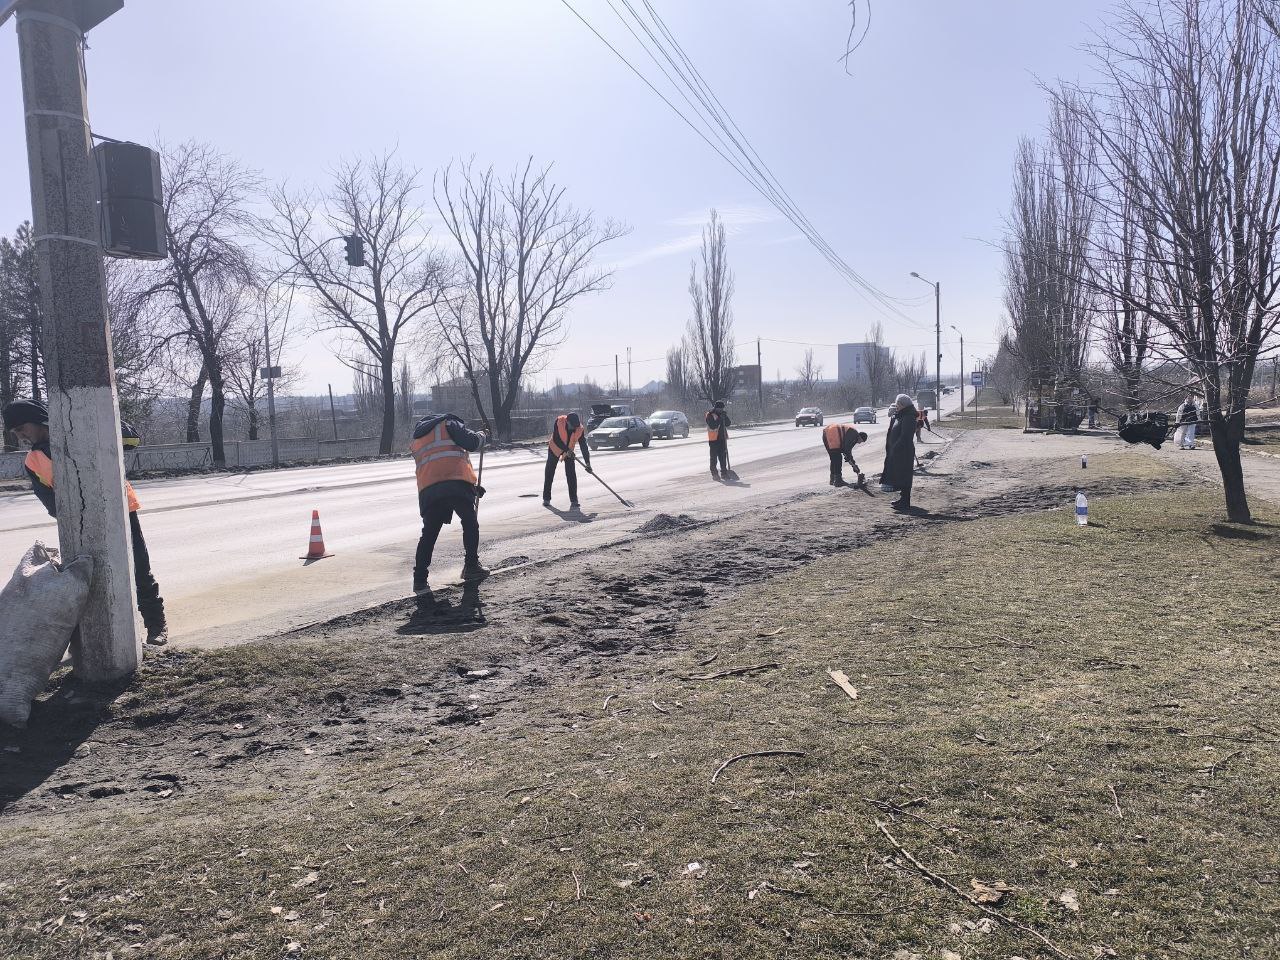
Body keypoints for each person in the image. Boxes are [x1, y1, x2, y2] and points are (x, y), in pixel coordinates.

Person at [2, 398, 169, 645]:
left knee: (139, 569)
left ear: (38, 420)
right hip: (80, 523)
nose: (20, 436)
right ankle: (89, 639)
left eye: (21, 428)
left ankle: (156, 626)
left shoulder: (79, 431)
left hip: (120, 511)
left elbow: (132, 441)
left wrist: (83, 418)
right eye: (15, 433)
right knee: (87, 579)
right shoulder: (33, 460)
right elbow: (51, 502)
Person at [409, 411, 488, 593]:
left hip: (429, 490)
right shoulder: (448, 423)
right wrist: (483, 435)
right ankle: (471, 566)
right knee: (469, 522)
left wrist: (472, 488)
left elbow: (438, 464)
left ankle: (419, 579)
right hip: (455, 483)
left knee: (429, 534)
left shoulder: (418, 437)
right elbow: (472, 443)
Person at [543, 412, 592, 508]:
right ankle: (546, 499)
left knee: (571, 474)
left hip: (569, 452)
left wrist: (587, 463)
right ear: (567, 421)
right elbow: (556, 439)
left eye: (575, 427)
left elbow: (583, 446)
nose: (573, 428)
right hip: (555, 448)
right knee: (549, 473)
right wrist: (567, 450)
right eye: (572, 426)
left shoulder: (579, 429)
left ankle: (574, 500)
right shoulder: (559, 422)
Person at [881, 393, 919, 511]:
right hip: (898, 452)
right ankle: (902, 499)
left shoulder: (908, 417)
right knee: (900, 475)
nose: (896, 406)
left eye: (897, 404)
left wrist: (895, 448)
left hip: (904, 452)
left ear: (902, 405)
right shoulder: (902, 415)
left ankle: (905, 501)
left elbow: (905, 436)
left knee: (904, 476)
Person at [706, 400, 731, 480]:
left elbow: (728, 424)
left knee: (723, 457)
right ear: (716, 408)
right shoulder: (710, 415)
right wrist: (720, 418)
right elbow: (713, 426)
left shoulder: (722, 414)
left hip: (722, 439)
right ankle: (714, 474)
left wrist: (725, 417)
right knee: (714, 458)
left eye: (722, 408)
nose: (721, 410)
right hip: (713, 440)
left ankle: (724, 473)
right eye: (719, 408)